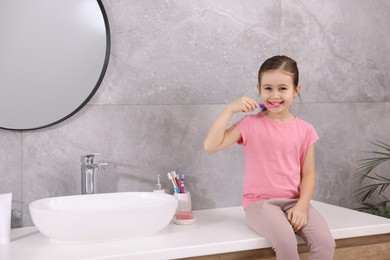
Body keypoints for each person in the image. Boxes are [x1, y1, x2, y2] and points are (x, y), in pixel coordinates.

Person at [204, 55, 335, 259]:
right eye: (268, 88)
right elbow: (211, 145)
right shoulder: (250, 124)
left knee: (326, 243)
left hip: (294, 202)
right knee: (285, 242)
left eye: (283, 88)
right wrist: (229, 110)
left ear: (296, 90)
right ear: (259, 89)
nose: (275, 95)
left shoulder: (305, 130)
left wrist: (301, 206)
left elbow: (308, 175)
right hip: (260, 204)